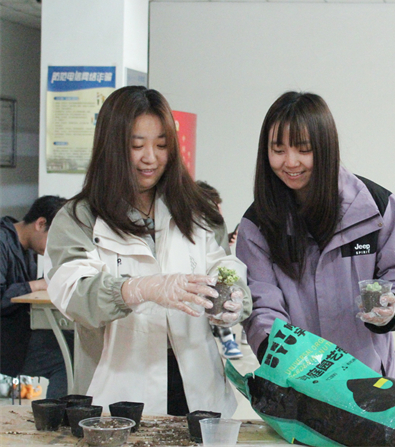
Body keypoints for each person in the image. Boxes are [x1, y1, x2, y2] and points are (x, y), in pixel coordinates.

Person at [46, 86, 252, 416]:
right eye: (137, 145)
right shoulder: (80, 218)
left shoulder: (197, 210)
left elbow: (224, 265)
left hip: (198, 388)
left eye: (161, 145)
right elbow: (72, 295)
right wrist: (137, 289)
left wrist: (231, 297)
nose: (151, 158)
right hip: (118, 390)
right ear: (111, 147)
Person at [237, 91, 395, 377]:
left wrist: (392, 306)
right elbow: (262, 306)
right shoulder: (258, 224)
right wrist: (286, 361)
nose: (291, 162)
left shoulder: (374, 207)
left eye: (304, 149)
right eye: (278, 150)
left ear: (326, 148)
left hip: (367, 378)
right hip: (296, 379)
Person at [1, 195, 70, 398]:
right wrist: (38, 284)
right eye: (55, 239)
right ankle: (54, 415)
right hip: (6, 337)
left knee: (73, 342)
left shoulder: (26, 249)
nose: (55, 247)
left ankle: (59, 413)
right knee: (66, 358)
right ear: (40, 224)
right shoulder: (2, 242)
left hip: (15, 331)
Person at [196, 181, 243, 360]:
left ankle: (231, 336)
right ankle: (227, 338)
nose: (219, 211)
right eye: (215, 206)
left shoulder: (215, 231)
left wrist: (228, 239)